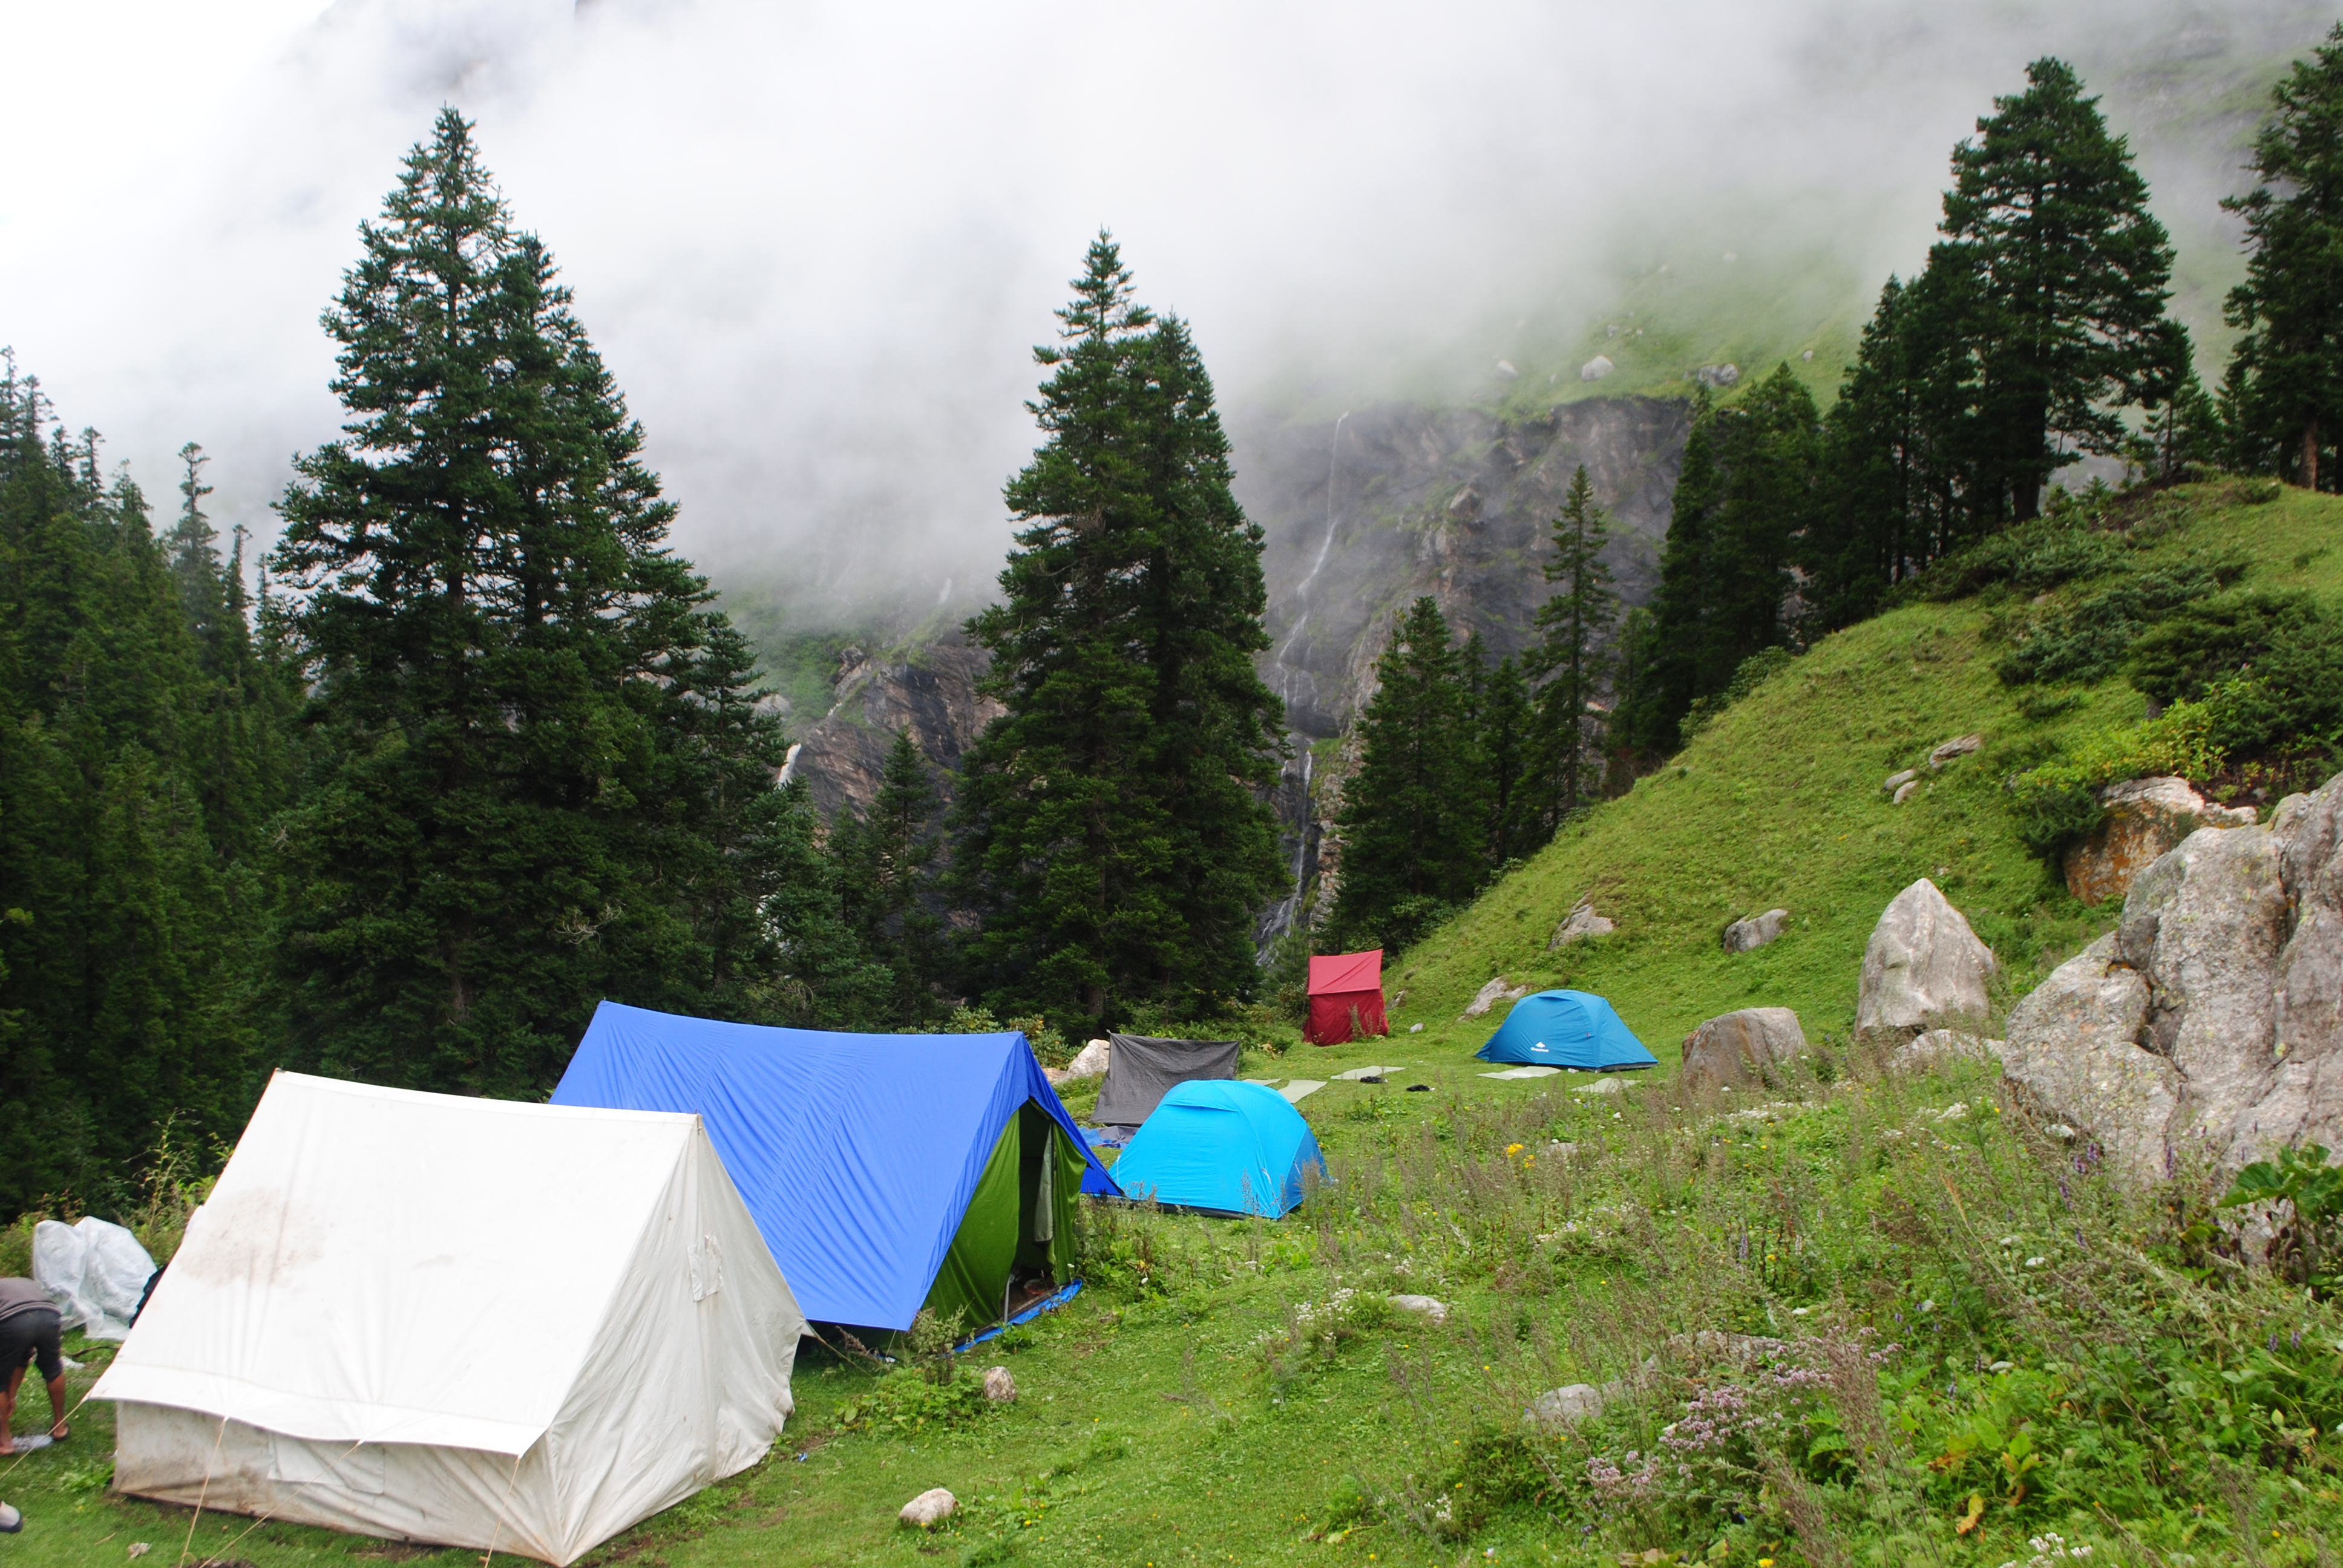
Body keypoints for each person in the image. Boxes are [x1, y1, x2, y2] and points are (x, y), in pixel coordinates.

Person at [0, 1278, 67, 1455]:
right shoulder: (21, 1282)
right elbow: (23, 1356)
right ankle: (60, 1427)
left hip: (14, 1319)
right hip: (50, 1315)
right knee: (52, 1367)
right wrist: (11, 1396)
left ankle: (5, 1442)